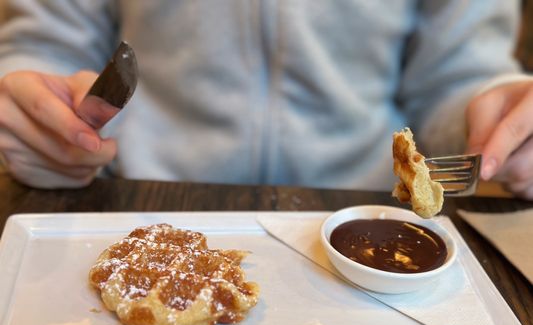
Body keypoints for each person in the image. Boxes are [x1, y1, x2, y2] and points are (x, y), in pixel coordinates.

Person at [0, 1, 532, 199]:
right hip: (136, 195)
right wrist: (33, 104)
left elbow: (455, 76)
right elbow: (49, 43)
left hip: (361, 205)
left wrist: (495, 109)